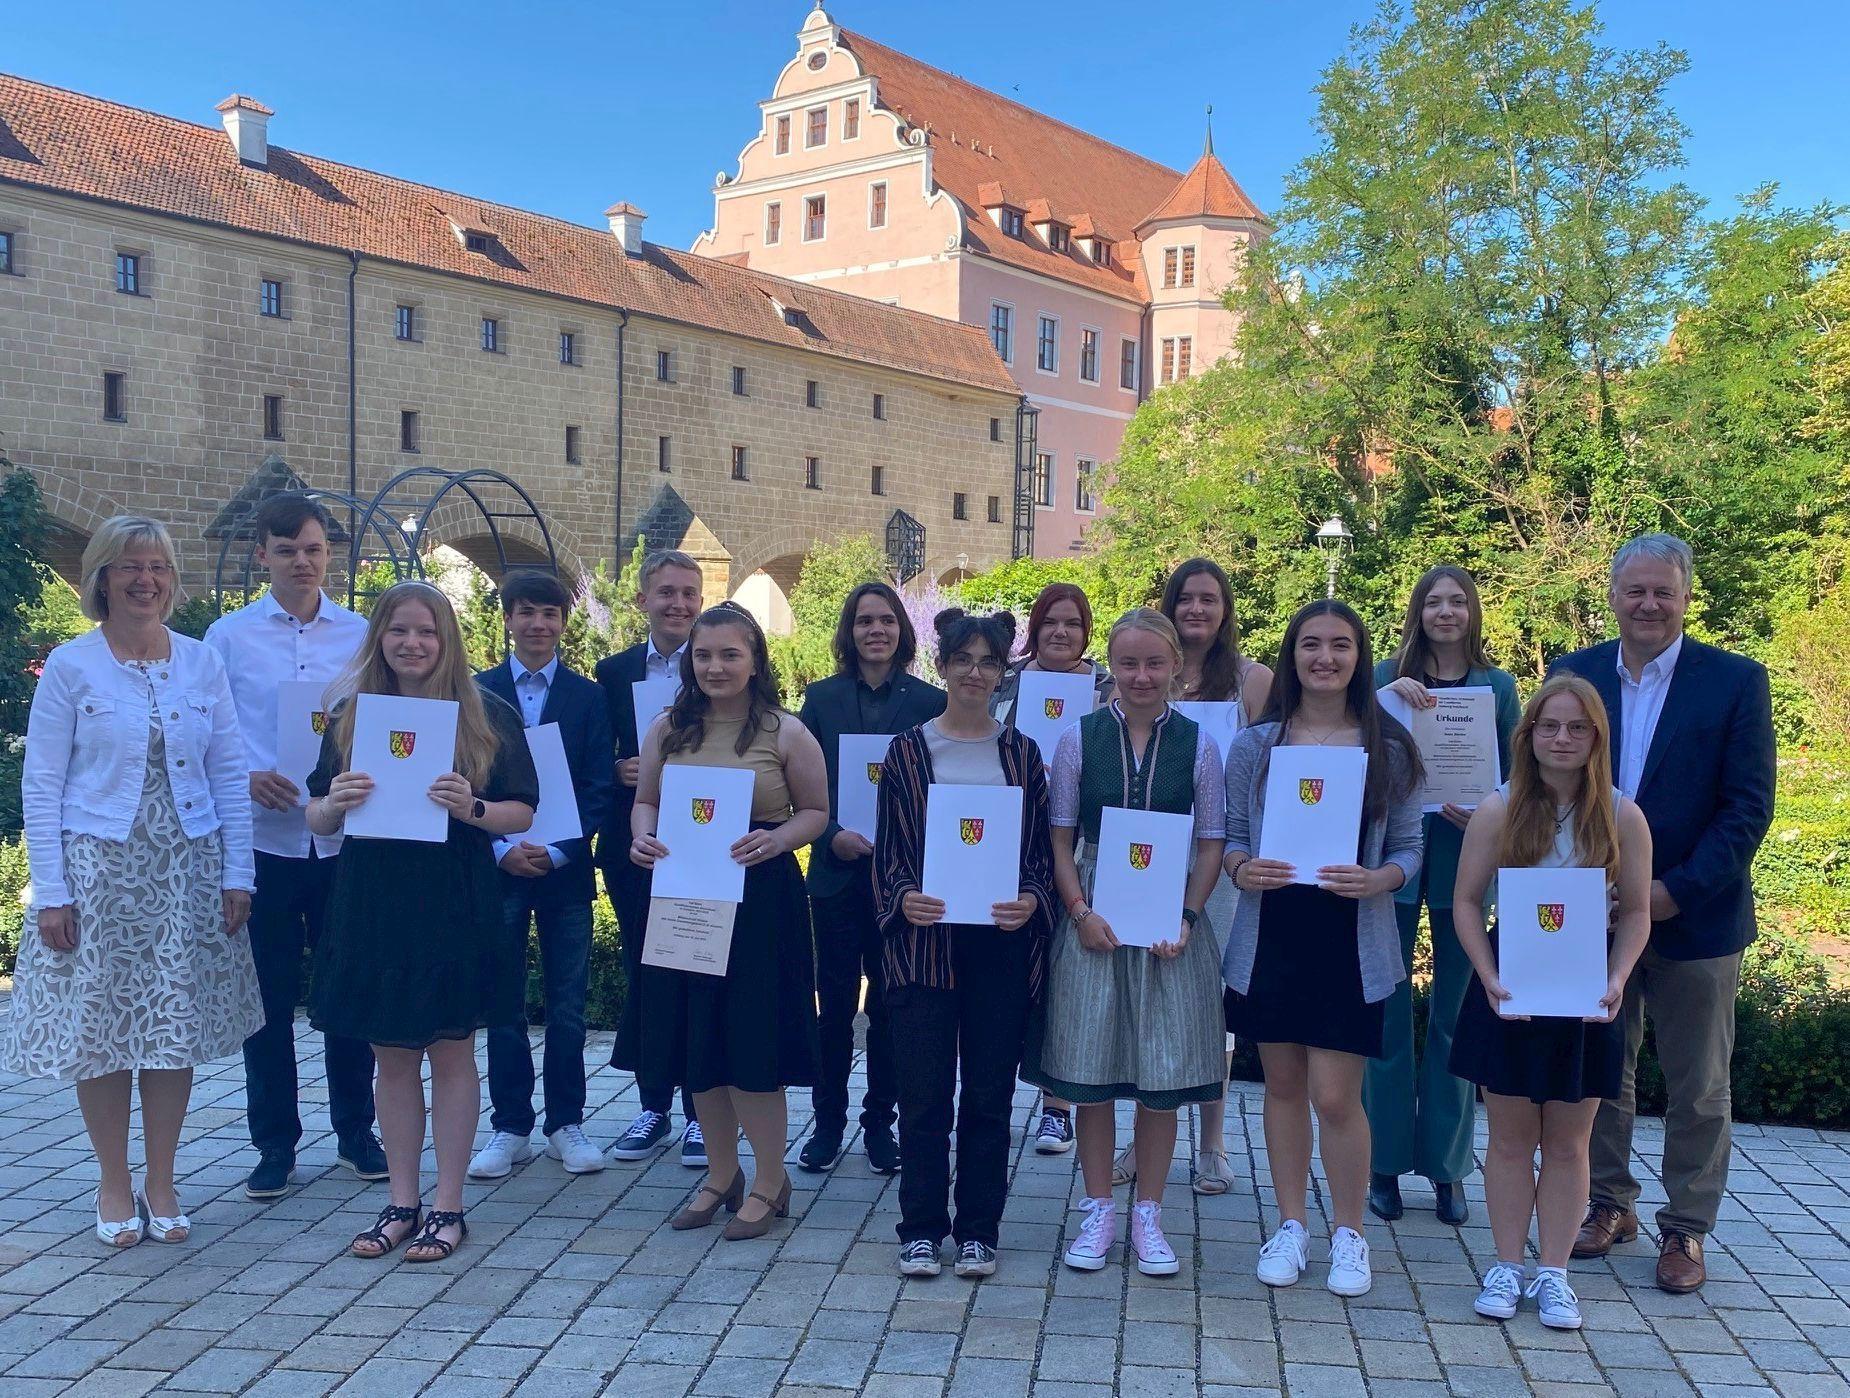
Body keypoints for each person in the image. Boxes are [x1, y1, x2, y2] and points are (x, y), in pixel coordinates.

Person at [7, 515, 262, 1247]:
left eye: (157, 567)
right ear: (102, 578)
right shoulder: (72, 666)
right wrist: (51, 891)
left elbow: (229, 772)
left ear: (171, 580)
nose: (145, 580)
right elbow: (42, 783)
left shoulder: (200, 662)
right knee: (103, 1028)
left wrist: (238, 874)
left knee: (169, 1025)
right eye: (129, 566)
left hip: (186, 869)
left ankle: (163, 1179)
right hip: (98, 873)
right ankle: (114, 1181)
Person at [1552, 533, 1776, 1294]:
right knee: (1600, 1071)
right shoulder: (1575, 674)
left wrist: (1670, 892)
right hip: (1593, 914)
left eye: (1663, 592)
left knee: (1700, 1085)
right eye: (1635, 590)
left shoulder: (1736, 681)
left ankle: (1686, 1227)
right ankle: (1608, 1203)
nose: (1648, 604)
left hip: (1695, 917)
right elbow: (1546, 784)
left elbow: (1747, 809)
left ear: (1685, 597)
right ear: (1614, 595)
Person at [305, 580, 538, 1263]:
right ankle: (402, 1203)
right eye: (399, 630)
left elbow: (523, 809)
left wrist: (473, 808)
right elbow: (316, 816)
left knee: (453, 1051)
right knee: (392, 1056)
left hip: (454, 900)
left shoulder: (485, 713)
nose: (413, 643)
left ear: (447, 640)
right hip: (374, 900)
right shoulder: (349, 715)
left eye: (427, 632)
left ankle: (449, 1206)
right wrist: (334, 803)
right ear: (379, 636)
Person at [1222, 599, 1423, 1298]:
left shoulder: (1389, 747)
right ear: (1292, 655)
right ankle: (1290, 1225)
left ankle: (1349, 1233)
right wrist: (1242, 869)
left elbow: (1410, 847)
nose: (1325, 657)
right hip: (1274, 932)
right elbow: (1232, 837)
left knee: (1336, 1097)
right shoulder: (1255, 746)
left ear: (1359, 657)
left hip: (1350, 938)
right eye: (1311, 644)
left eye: (1340, 645)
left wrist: (1380, 879)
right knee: (1281, 1087)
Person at [616, 604, 829, 1241]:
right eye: (703, 655)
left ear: (755, 661)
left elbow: (817, 812)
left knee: (751, 1045)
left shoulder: (787, 733)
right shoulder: (666, 729)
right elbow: (645, 801)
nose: (714, 666)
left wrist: (779, 839)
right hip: (684, 899)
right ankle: (720, 1174)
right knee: (696, 1043)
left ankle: (770, 1180)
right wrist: (642, 837)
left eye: (729, 654)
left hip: (759, 905)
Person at [1027, 610, 1227, 1277]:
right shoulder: (1078, 739)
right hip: (1094, 917)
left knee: (1159, 1078)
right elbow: (1060, 841)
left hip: (1169, 921)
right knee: (1091, 1072)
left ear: (1175, 666)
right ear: (1111, 665)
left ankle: (1148, 1213)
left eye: (1154, 663)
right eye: (1129, 663)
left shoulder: (1199, 745)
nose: (1141, 676)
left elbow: (1211, 843)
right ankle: (1097, 1210)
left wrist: (1188, 917)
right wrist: (1079, 912)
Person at [1450, 675, 1652, 1331]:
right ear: (1529, 734)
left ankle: (1555, 1274)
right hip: (1511, 987)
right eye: (1549, 726)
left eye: (1576, 728)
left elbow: (1638, 913)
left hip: (1585, 993)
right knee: (1510, 1141)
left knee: (1568, 1144)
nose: (1562, 738)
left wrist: (1617, 979)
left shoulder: (1622, 814)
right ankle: (1507, 1267)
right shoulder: (1499, 808)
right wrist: (1488, 976)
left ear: (1596, 738)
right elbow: (1464, 903)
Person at [205, 492, 382, 1201]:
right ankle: (274, 1145)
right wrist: (245, 776)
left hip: (342, 844)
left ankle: (357, 1132)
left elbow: (379, 722)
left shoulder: (360, 634)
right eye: (286, 551)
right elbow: (208, 731)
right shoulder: (227, 637)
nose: (302, 562)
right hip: (266, 844)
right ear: (262, 556)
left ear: (328, 554)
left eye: (312, 549)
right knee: (269, 1004)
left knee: (347, 994)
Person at [874, 608, 1055, 1279]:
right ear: (943, 666)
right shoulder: (908, 751)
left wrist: (1031, 898)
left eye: (988, 662)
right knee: (923, 1099)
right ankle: (921, 1229)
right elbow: (889, 852)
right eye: (963, 660)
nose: (975, 673)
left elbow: (1039, 852)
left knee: (988, 1098)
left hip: (998, 948)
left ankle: (979, 1230)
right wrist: (903, 898)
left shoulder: (1022, 754)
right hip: (925, 946)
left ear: (1002, 672)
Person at [1363, 565, 1521, 1227]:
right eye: (1434, 602)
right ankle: (1382, 1162)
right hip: (1394, 856)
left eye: (1458, 601)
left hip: (1467, 854)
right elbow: (1354, 752)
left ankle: (1449, 1168)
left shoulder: (1498, 687)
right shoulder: (1383, 678)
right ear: (1418, 611)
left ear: (1473, 612)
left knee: (1456, 1016)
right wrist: (1380, 703)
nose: (1446, 612)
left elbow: (1520, 774)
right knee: (1386, 1013)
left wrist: (1492, 809)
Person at [468, 570, 615, 1180]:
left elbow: (599, 786)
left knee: (567, 1004)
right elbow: (465, 779)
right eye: (526, 612)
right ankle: (510, 1127)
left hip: (563, 871)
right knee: (503, 1001)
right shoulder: (477, 692)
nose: (538, 624)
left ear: (563, 622)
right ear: (507, 618)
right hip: (498, 867)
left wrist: (558, 851)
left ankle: (565, 1123)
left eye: (549, 614)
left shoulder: (588, 697)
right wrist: (500, 846)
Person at [795, 583, 946, 1175]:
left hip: (904, 884)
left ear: (902, 630)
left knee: (891, 1007)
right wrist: (831, 833)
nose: (875, 630)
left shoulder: (930, 703)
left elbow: (942, 793)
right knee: (833, 1008)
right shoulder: (821, 699)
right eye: (864, 621)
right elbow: (800, 785)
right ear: (850, 631)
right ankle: (827, 1123)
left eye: (886, 620)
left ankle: (880, 1123)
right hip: (837, 874)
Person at [1156, 557, 1273, 1196]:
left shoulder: (1252, 681)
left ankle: (1212, 1143)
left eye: (1209, 599)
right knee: (1148, 991)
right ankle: (1147, 1138)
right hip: (1150, 856)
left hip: (1221, 858)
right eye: (1186, 598)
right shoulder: (1152, 672)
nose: (1197, 609)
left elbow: (1278, 766)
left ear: (1225, 609)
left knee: (1211, 999)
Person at [991, 581, 1112, 1156]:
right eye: (1050, 622)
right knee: (1008, 974)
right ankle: (990, 1097)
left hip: (1079, 850)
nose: (1061, 632)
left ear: (1087, 632)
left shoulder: (1108, 689)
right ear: (1034, 629)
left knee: (1064, 977)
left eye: (1073, 623)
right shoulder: (1005, 681)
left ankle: (1057, 1108)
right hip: (1007, 846)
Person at [595, 549, 707, 1167]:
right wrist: (618, 768)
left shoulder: (718, 664)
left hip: (703, 844)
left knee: (697, 971)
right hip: (636, 847)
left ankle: (700, 1113)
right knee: (646, 972)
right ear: (642, 600)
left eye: (689, 593)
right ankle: (652, 1105)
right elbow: (594, 753)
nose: (678, 604)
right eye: (666, 592)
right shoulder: (612, 673)